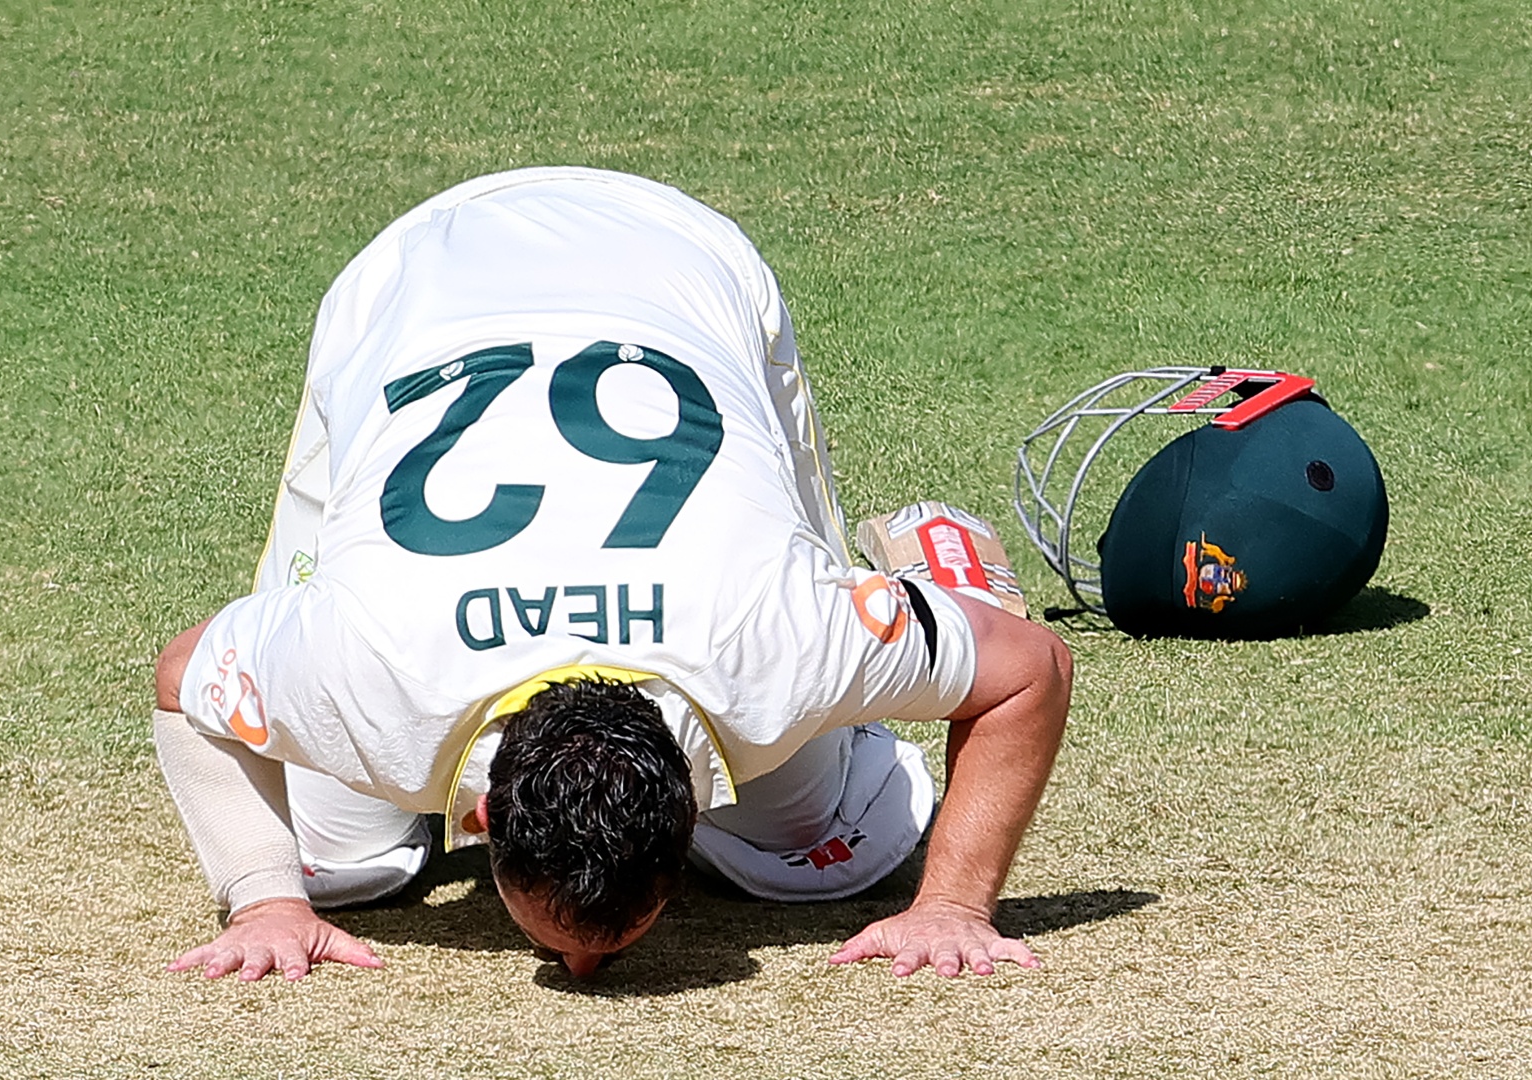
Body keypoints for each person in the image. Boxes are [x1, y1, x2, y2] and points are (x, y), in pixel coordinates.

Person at [151, 167, 1071, 982]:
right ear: (482, 825)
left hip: (685, 270)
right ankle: (917, 629)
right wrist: (265, 899)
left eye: (584, 946)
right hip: (410, 282)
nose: (583, 967)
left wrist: (954, 905)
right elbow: (183, 678)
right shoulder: (366, 667)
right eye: (582, 944)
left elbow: (1031, 668)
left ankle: (940, 589)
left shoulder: (780, 639)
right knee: (339, 869)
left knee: (807, 857)